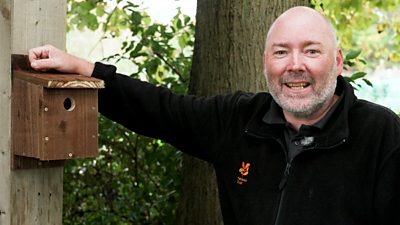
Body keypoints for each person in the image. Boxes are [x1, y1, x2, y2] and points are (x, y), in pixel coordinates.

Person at [29, 6, 400, 225]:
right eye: (282, 52)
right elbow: (159, 109)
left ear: (338, 62)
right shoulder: (238, 120)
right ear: (265, 63)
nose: (295, 66)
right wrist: (86, 69)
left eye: (312, 51)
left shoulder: (381, 133)